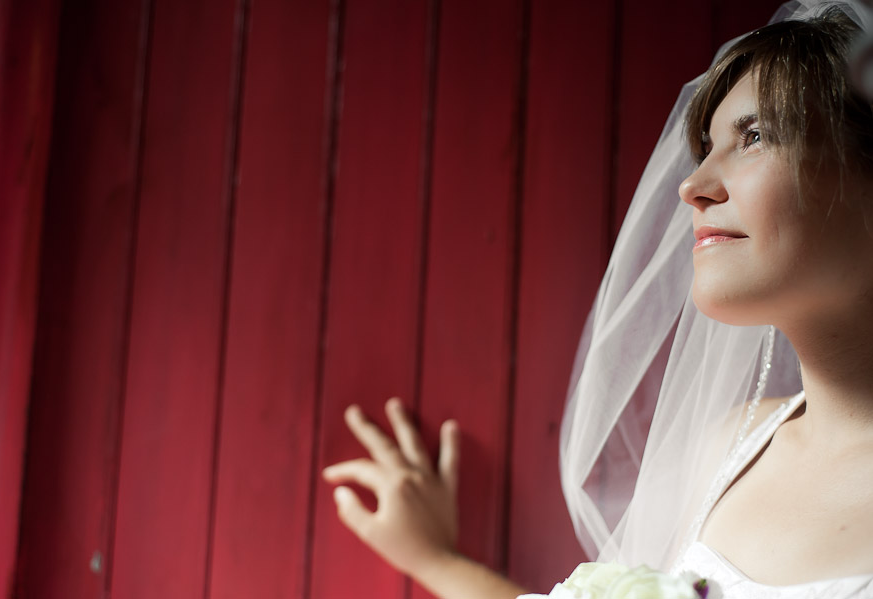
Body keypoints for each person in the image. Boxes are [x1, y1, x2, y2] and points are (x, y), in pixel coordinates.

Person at [322, 1, 873, 597]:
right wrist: (434, 558)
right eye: (707, 148)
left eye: (756, 136)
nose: (692, 186)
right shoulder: (734, 446)